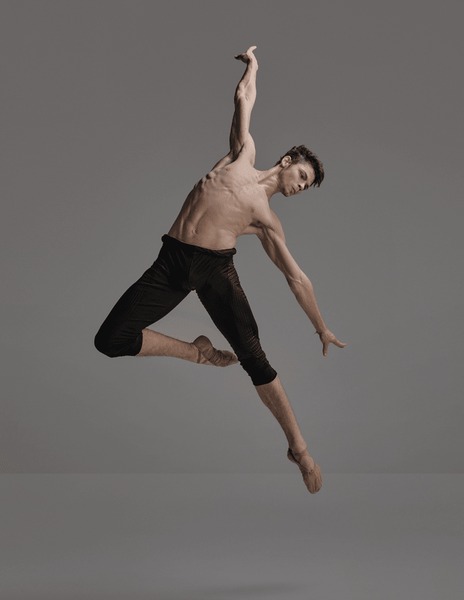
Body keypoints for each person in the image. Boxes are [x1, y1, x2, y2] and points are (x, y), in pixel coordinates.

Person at [94, 46, 346, 494]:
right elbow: (243, 98)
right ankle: (197, 352)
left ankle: (300, 449)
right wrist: (254, 66)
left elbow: (296, 277)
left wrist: (321, 327)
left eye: (307, 187)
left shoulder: (267, 220)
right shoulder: (240, 156)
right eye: (303, 178)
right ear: (287, 162)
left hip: (214, 271)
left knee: (254, 358)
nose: (301, 187)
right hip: (172, 261)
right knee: (110, 339)